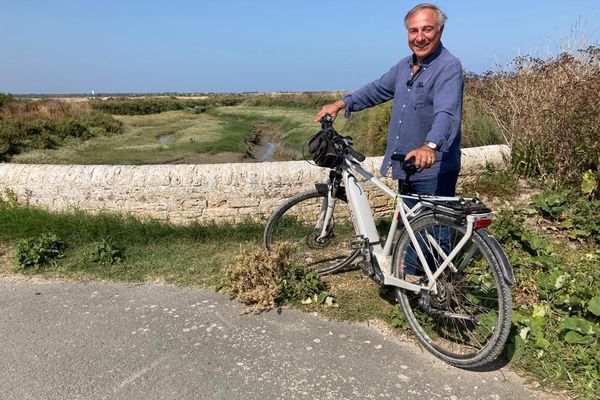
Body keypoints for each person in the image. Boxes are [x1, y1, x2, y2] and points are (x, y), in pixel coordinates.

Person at [315, 3, 463, 198]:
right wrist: (340, 104)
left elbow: (447, 113)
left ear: (440, 30)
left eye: (427, 29)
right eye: (413, 31)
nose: (419, 37)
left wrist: (430, 146)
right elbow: (377, 89)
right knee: (409, 227)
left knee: (433, 228)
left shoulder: (448, 66)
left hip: (433, 170)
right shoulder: (404, 66)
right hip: (406, 165)